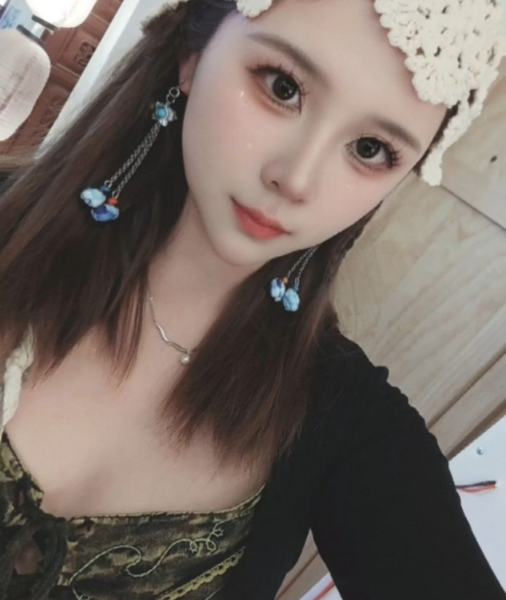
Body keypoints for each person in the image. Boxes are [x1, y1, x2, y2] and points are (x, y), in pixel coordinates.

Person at [0, 0, 505, 598]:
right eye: (283, 87)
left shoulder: (352, 429)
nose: (297, 178)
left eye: (371, 148)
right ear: (193, 55)